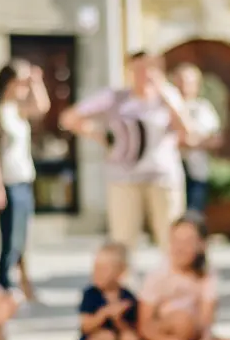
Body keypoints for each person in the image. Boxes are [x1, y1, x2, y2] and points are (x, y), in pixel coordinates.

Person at [60, 51, 190, 253]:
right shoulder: (114, 98)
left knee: (170, 237)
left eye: (148, 68)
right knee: (123, 240)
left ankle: (171, 282)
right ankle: (125, 282)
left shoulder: (168, 96)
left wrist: (166, 98)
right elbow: (69, 118)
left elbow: (186, 132)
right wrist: (101, 136)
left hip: (163, 177)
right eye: (137, 69)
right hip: (124, 177)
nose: (143, 74)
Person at [0, 59, 50, 292]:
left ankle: (21, 284)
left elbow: (42, 106)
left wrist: (36, 82)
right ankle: (3, 284)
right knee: (9, 238)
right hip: (8, 181)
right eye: (20, 80)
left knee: (22, 237)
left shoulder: (17, 109)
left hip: (24, 179)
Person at [172, 63, 223, 213]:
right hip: (171, 174)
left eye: (189, 82)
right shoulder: (166, 107)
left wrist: (193, 142)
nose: (184, 86)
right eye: (181, 81)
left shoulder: (204, 108)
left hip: (197, 171)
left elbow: (216, 138)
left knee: (194, 217)